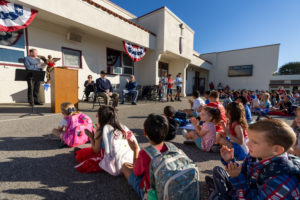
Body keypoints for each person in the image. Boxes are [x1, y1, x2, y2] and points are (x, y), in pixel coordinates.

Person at [206, 119, 300, 200]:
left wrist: (236, 177)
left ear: (276, 149)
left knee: (220, 191)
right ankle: (219, 193)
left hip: (248, 195)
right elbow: (242, 172)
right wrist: (230, 161)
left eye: (254, 142)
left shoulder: (281, 181)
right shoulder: (255, 156)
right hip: (246, 188)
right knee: (217, 170)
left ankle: (219, 194)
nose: (247, 144)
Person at [75, 105, 138, 173]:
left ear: (100, 118)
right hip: (124, 156)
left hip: (108, 158)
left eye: (97, 115)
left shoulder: (100, 132)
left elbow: (96, 150)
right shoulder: (121, 128)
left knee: (81, 155)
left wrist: (91, 137)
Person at [121, 114, 169, 199]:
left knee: (125, 167)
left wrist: (135, 150)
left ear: (145, 133)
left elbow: (136, 173)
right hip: (169, 185)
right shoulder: (171, 147)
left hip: (154, 194)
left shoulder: (145, 153)